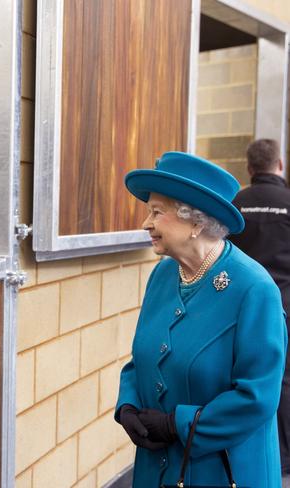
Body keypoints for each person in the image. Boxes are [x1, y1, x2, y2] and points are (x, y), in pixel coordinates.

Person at [115, 151, 287, 486]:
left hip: (222, 470)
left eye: (156, 212)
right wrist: (128, 405)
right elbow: (142, 359)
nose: (146, 223)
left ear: (195, 222)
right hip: (157, 465)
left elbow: (257, 398)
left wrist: (178, 424)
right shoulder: (164, 275)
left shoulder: (254, 290)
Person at [228, 138, 290, 483]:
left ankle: (250, 453)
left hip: (243, 311)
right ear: (279, 165)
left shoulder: (235, 205)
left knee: (247, 381)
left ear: (250, 169)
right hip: (286, 306)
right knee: (284, 381)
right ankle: (283, 460)